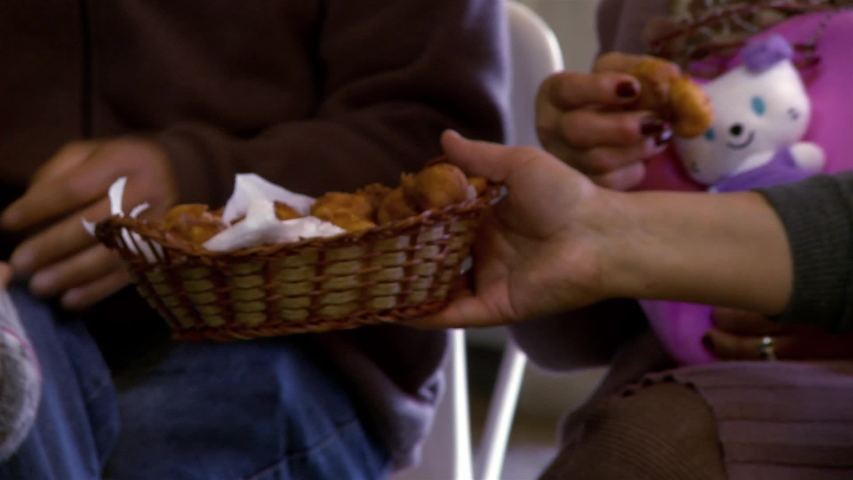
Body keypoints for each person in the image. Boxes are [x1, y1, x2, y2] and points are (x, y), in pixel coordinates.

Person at [0, 1, 508, 479]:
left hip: (293, 331)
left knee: (165, 441)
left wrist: (203, 187)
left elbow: (441, 150)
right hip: (26, 296)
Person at [424, 2, 853, 479]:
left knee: (653, 443)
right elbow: (579, 340)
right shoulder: (655, 11)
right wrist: (593, 183)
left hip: (722, 428)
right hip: (647, 406)